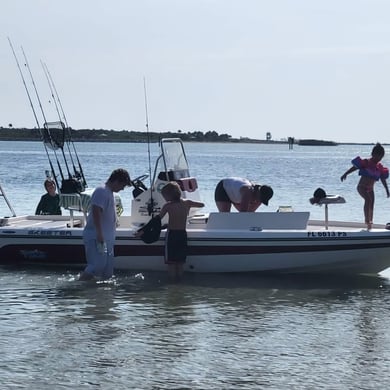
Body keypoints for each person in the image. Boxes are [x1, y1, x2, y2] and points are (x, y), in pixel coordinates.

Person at [140, 181, 204, 281]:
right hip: (182, 235)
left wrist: (143, 231)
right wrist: (190, 204)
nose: (164, 198)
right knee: (180, 262)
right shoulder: (187, 203)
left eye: (164, 196)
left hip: (172, 235)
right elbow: (202, 205)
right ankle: (179, 282)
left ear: (169, 195)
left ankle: (172, 283)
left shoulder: (168, 206)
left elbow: (157, 219)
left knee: (171, 263)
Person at [79, 168, 132, 281]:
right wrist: (99, 233)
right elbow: (96, 211)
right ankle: (79, 285)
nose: (122, 189)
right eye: (122, 186)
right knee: (96, 266)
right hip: (96, 236)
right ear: (116, 181)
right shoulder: (101, 191)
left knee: (107, 271)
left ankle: (104, 296)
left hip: (107, 238)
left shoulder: (110, 193)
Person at [341, 143, 389, 230]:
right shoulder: (366, 162)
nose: (379, 159)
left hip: (371, 189)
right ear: (373, 154)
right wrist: (345, 174)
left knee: (371, 205)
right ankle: (367, 220)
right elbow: (355, 167)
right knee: (368, 200)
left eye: (381, 157)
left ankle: (369, 225)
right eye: (378, 156)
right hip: (361, 187)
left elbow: (383, 179)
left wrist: (387, 190)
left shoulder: (379, 167)